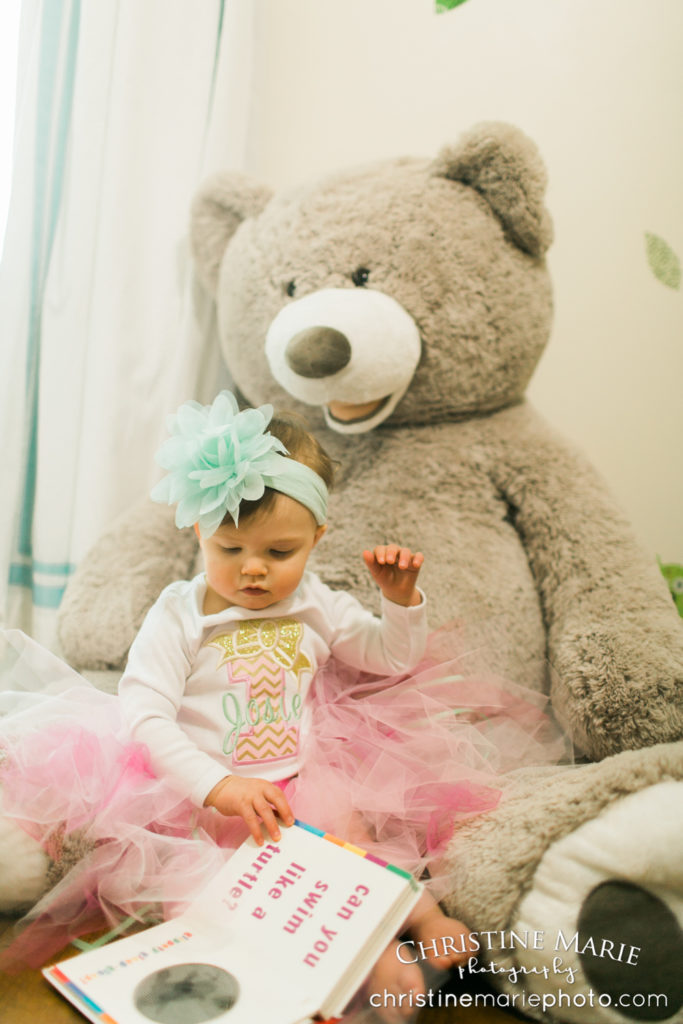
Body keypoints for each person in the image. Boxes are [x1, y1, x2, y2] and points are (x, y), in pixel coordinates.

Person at [0, 391, 563, 1014]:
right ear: (199, 531)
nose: (253, 572)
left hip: (297, 784)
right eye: (230, 549)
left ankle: (418, 921)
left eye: (278, 552)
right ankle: (342, 969)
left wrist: (400, 603)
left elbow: (389, 657)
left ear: (318, 537)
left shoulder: (316, 604)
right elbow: (145, 716)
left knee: (353, 850)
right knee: (225, 902)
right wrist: (219, 787)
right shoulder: (181, 616)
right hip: (199, 802)